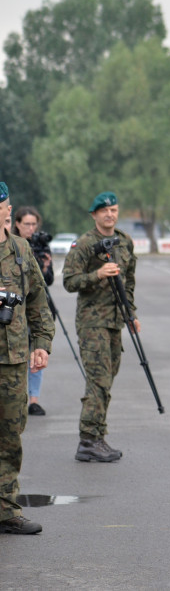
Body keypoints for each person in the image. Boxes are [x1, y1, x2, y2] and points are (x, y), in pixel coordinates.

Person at [63, 191, 138, 463]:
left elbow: (128, 282)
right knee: (98, 379)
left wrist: (131, 313)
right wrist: (97, 274)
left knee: (108, 378)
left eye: (114, 210)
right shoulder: (83, 244)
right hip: (92, 321)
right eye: (104, 211)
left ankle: (98, 436)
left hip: (115, 321)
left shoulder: (124, 242)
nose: (110, 215)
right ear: (94, 214)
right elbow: (69, 282)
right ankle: (87, 440)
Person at [0, 182, 54, 534]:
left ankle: (6, 509)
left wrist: (42, 343)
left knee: (9, 437)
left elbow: (37, 301)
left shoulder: (20, 249)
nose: (4, 210)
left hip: (13, 359)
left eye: (4, 204)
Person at [13, 206, 53, 416]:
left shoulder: (40, 247)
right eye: (26, 224)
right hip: (15, 312)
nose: (30, 228)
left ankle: (34, 399)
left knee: (36, 353)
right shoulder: (11, 247)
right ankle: (15, 398)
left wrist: (45, 267)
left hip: (35, 311)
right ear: (17, 224)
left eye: (33, 224)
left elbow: (46, 283)